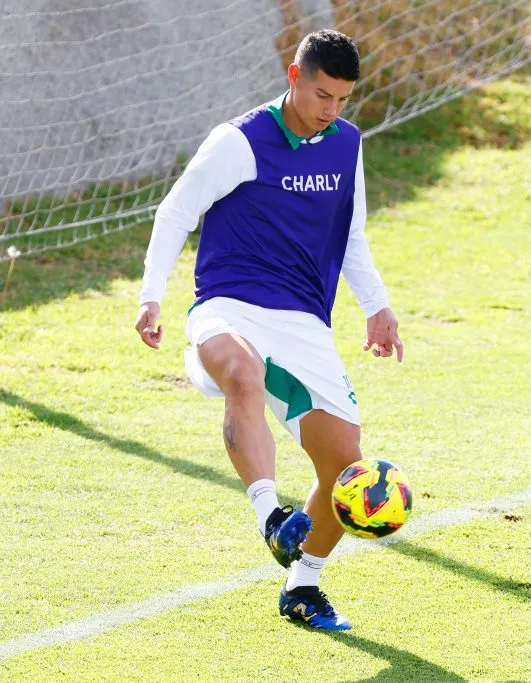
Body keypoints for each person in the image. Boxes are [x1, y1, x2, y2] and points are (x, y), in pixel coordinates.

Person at [134, 29, 401, 631]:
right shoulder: (239, 141)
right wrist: (151, 296)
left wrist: (377, 306)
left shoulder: (347, 143)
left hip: (303, 321)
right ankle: (270, 516)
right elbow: (176, 210)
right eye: (322, 95)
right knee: (242, 372)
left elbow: (351, 233)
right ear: (294, 76)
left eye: (342, 99)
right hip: (228, 306)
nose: (330, 110)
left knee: (345, 470)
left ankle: (302, 586)